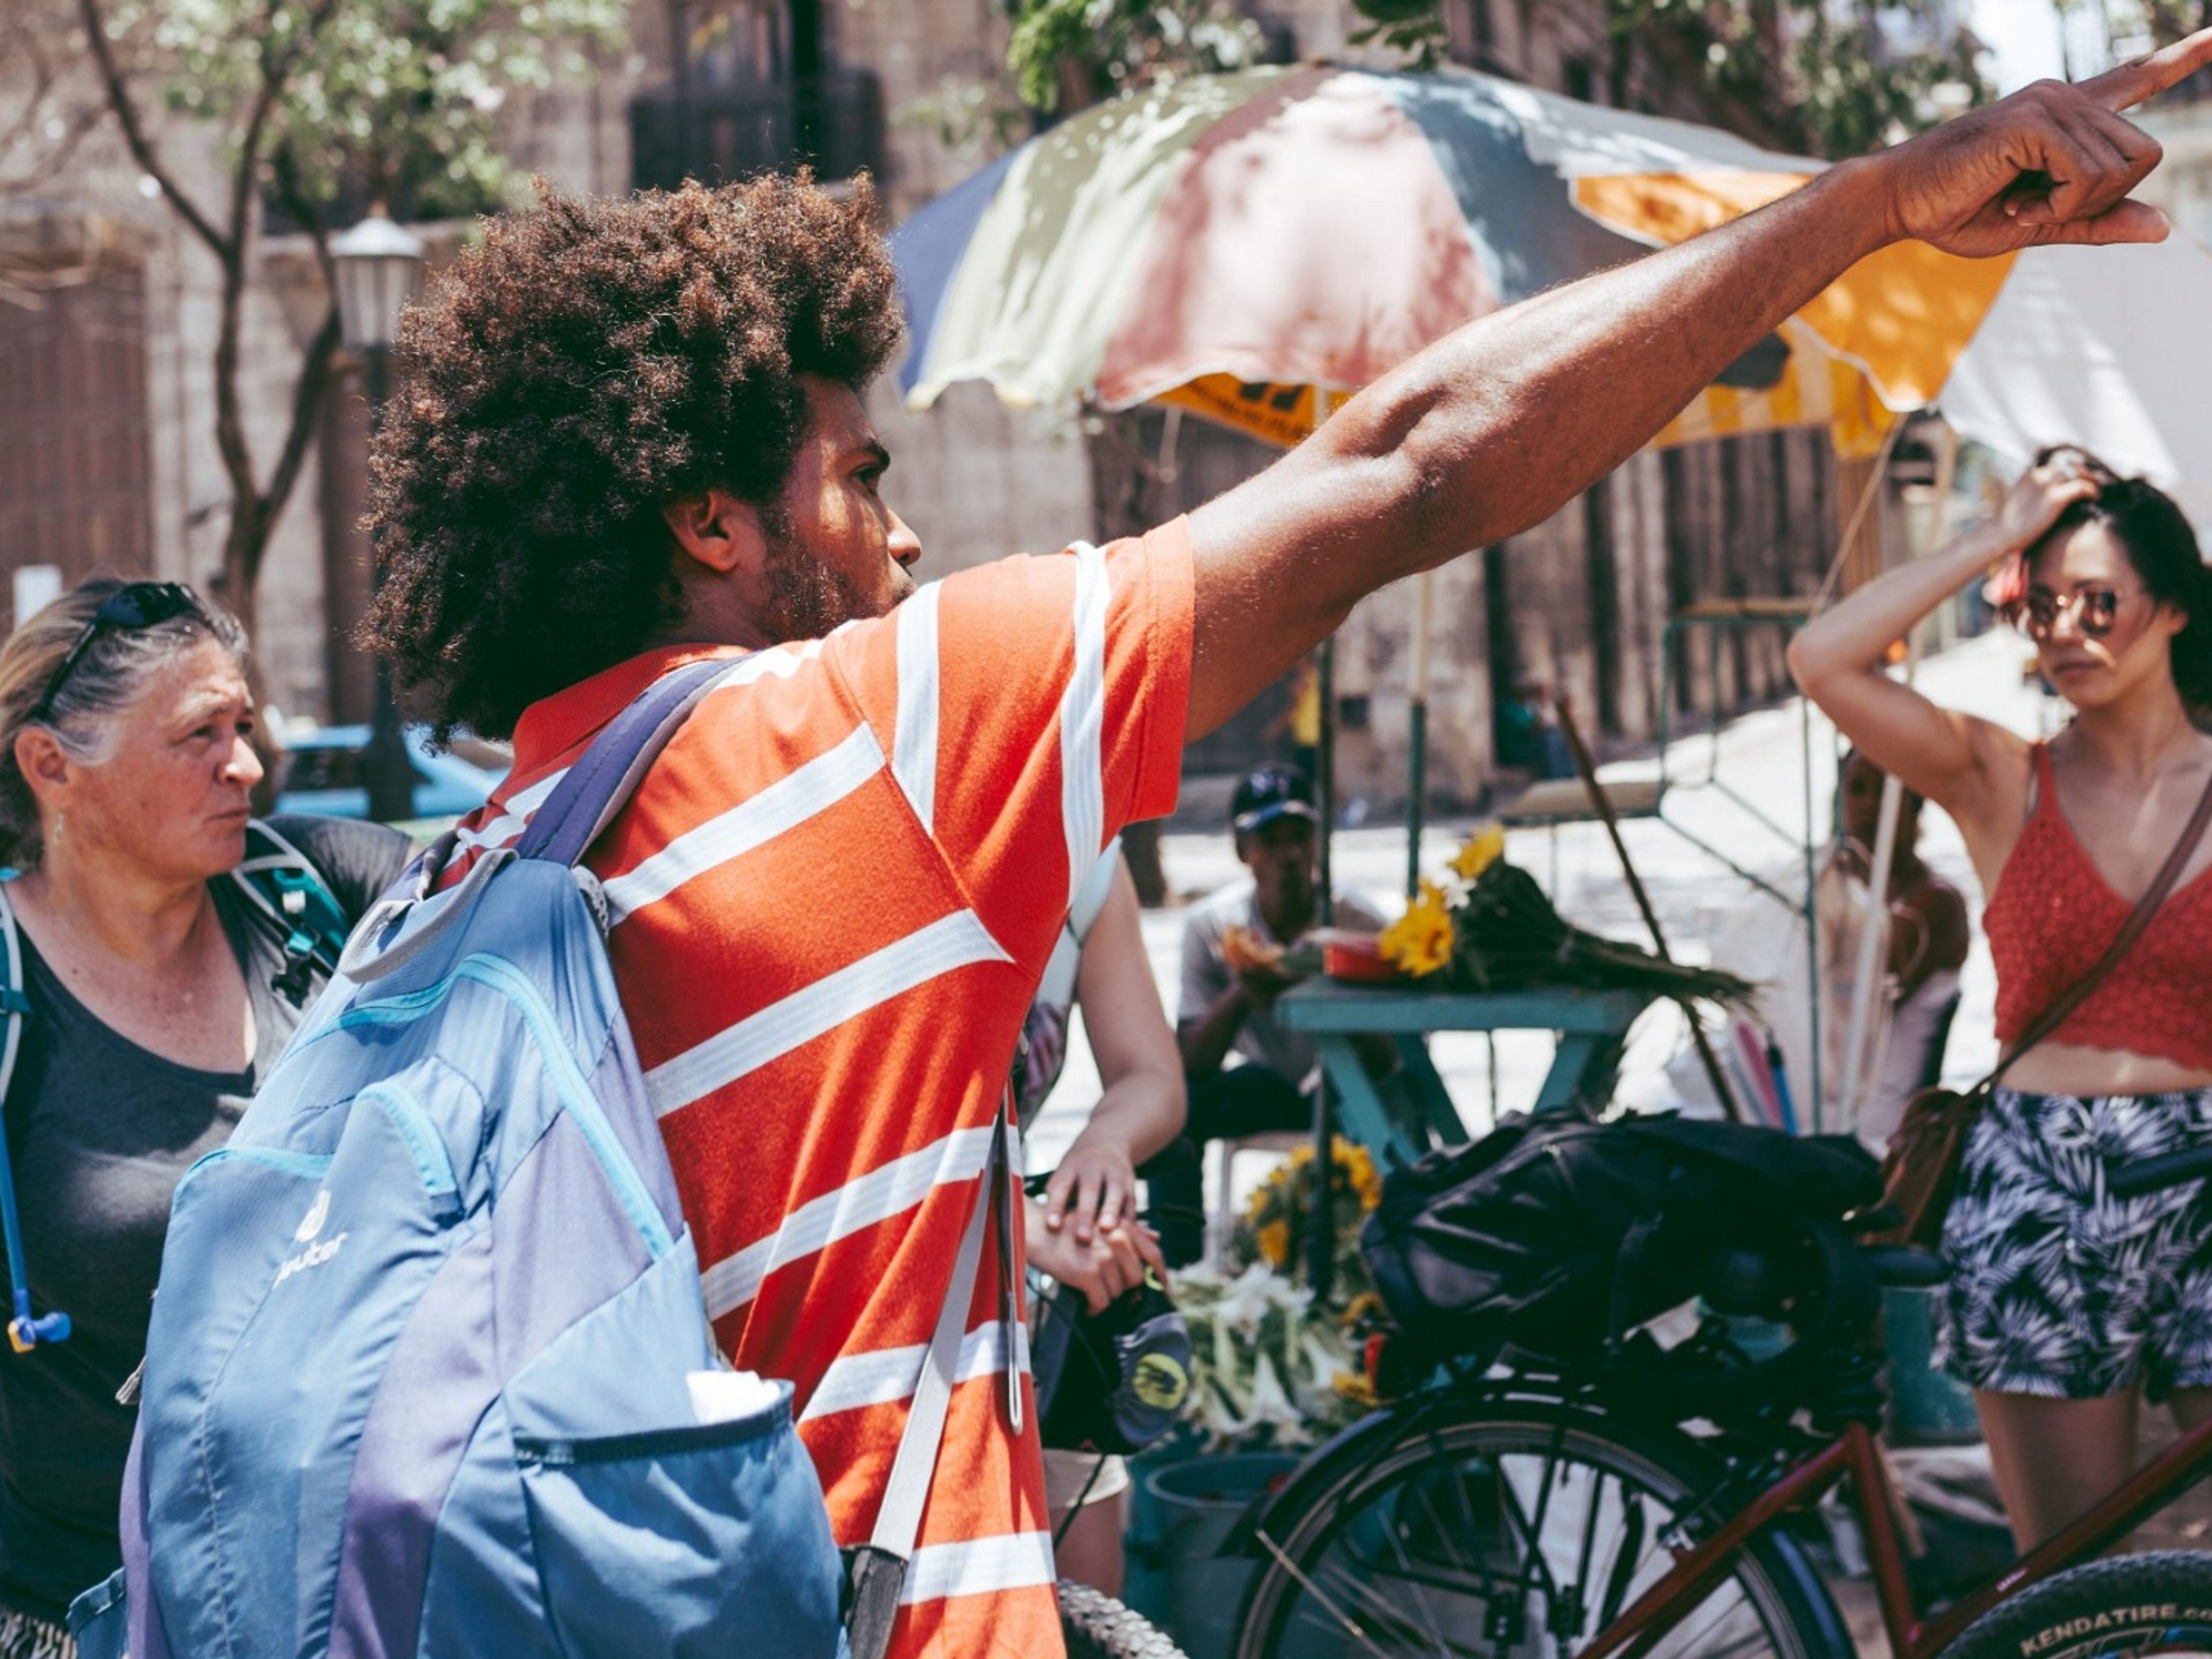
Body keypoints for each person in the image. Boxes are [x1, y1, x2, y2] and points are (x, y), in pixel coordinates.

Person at [358, 49, 2209, 1656]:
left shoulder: (462, 880)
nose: (895, 538)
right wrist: (1878, 202)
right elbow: (1405, 468)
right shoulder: (847, 738)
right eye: (859, 476)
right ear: (707, 517)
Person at [1790, 445, 2212, 1552]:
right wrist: (1988, 539)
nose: (2066, 629)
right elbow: (1821, 661)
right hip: (2044, 1185)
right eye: (2045, 606)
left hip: (2209, 1168)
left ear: (2170, 609)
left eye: (2100, 603)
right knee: (2070, 1584)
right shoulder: (2000, 777)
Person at [0, 581, 412, 1659]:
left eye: (244, 727)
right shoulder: (9, 993)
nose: (247, 766)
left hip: (330, 1593)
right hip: (76, 1613)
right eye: (199, 737)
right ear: (52, 768)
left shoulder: (318, 891)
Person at [1013, 838, 1184, 1597]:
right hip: (873, 1273)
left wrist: (1106, 1146)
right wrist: (1015, 1222)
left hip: (1011, 1266)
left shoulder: (1085, 853)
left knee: (1088, 1527)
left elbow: (1151, 1072)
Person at [1163, 766, 1384, 1266]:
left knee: (1402, 1107)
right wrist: (1243, 993)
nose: (1288, 856)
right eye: (1270, 841)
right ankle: (1176, 1273)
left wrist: (1335, 988)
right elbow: (1189, 1061)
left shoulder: (1358, 924)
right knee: (1174, 1112)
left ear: (1317, 843)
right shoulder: (1214, 928)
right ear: (1244, 852)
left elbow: (1399, 1056)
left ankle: (1391, 1255)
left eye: (1299, 838)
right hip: (1273, 1086)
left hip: (1351, 1090)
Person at [1823, 748, 1970, 1149]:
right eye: (1858, 790)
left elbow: (1872, 973)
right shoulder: (1831, 884)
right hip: (1828, 1099)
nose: (1871, 806)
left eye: (1888, 792)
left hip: (1884, 1126)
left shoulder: (1935, 902)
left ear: (1914, 804)